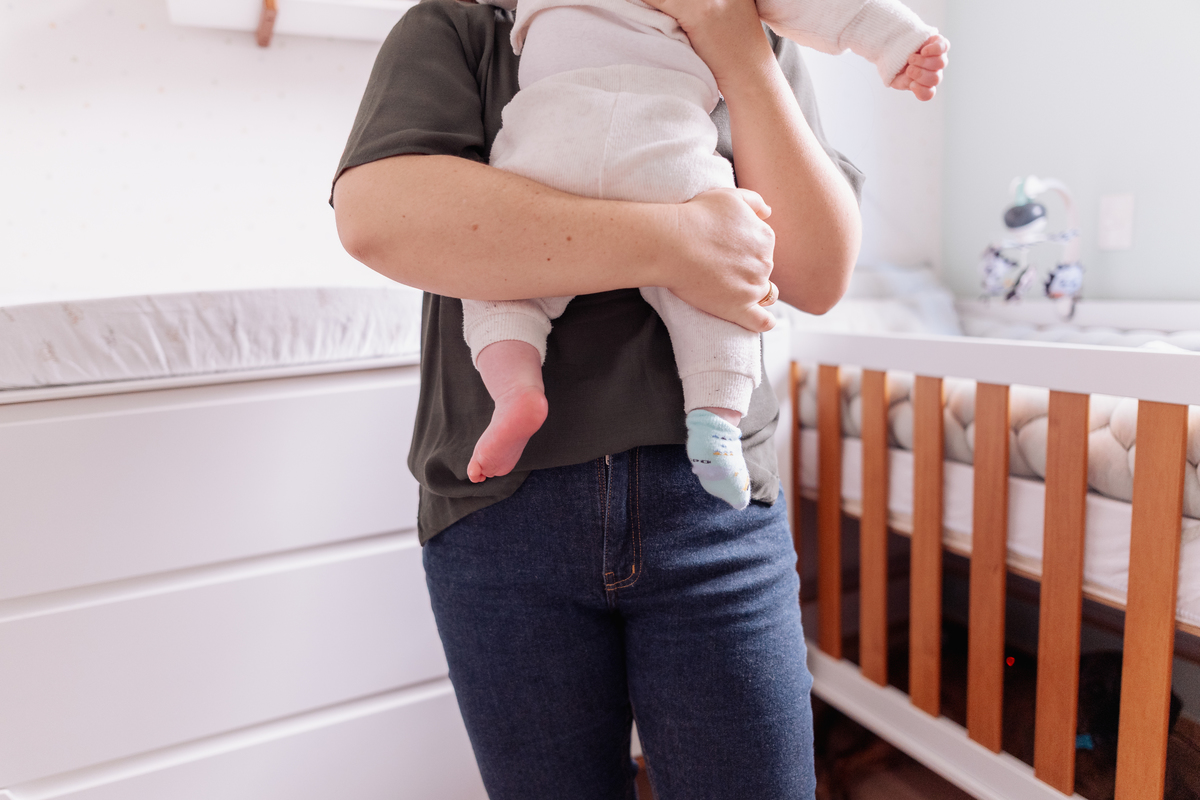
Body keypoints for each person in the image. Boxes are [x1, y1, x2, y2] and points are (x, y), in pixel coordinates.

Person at [331, 0, 946, 797]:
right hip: (502, 521)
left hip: (716, 512)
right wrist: (678, 241)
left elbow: (818, 273)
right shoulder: (463, 27)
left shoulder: (747, 30)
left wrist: (741, 54)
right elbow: (381, 217)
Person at [460, 0, 947, 511]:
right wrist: (899, 40)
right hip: (668, 145)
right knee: (727, 282)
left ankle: (516, 388)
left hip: (548, 141)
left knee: (499, 283)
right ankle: (716, 423)